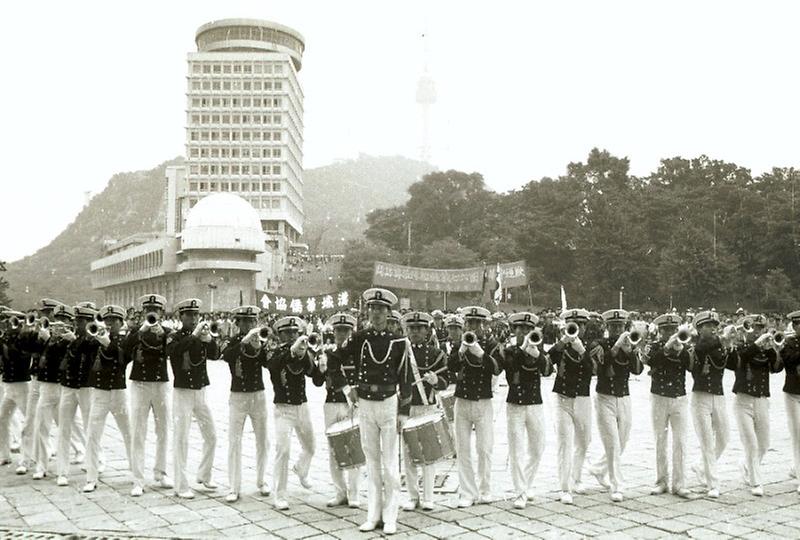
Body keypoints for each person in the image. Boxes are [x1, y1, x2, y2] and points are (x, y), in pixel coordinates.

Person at [342, 288, 412, 535]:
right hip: (365, 403)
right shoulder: (360, 337)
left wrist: (404, 411)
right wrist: (346, 386)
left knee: (391, 464)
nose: (376, 313)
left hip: (389, 403)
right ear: (368, 311)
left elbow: (406, 377)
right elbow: (335, 359)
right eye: (372, 308)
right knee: (371, 461)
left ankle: (391, 516)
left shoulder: (399, 341)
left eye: (381, 309)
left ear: (388, 312)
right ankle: (373, 514)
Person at [448, 306, 503, 508]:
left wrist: (481, 354)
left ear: (484, 325)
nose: (473, 327)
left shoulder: (492, 344)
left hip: (483, 401)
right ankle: (467, 492)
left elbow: (497, 368)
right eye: (470, 323)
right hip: (462, 400)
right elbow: (451, 367)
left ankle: (485, 489)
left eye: (477, 323)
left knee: (484, 448)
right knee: (462, 449)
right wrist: (461, 350)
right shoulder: (459, 343)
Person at [588, 309, 644, 502]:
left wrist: (631, 353)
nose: (617, 329)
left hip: (624, 396)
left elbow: (638, 371)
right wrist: (616, 347)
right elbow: (600, 366)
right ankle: (617, 485)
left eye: (620, 326)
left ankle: (598, 468)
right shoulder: (599, 344)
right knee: (612, 442)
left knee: (623, 440)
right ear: (607, 327)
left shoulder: (629, 343)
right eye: (613, 326)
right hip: (605, 397)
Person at [548, 308, 601, 504]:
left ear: (586, 328)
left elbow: (595, 370)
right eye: (573, 325)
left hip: (583, 398)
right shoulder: (561, 346)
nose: (577, 328)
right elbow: (547, 359)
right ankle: (565, 487)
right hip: (563, 397)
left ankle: (576, 477)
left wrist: (582, 351)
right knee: (564, 442)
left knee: (584, 440)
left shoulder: (591, 346)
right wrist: (563, 342)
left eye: (581, 325)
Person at [168, 298, 219, 499]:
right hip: (182, 392)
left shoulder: (200, 336)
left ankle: (204, 474)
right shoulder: (174, 336)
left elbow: (216, 355)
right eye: (189, 315)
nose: (193, 318)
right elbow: (173, 352)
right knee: (181, 438)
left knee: (212, 435)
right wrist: (195, 336)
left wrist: (209, 340)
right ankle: (181, 485)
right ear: (180, 317)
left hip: (200, 390)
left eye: (196, 315)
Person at [267, 316, 320, 511]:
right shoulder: (275, 352)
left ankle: (301, 469)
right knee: (283, 450)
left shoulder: (304, 351)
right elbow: (273, 366)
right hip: (283, 409)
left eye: (294, 332)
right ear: (280, 335)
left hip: (302, 407)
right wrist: (292, 351)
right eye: (287, 333)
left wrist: (316, 359)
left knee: (311, 447)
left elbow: (315, 377)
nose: (291, 335)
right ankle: (279, 494)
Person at [728, 314, 782, 496]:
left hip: (761, 400)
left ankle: (746, 465)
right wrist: (757, 344)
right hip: (743, 400)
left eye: (760, 328)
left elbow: (776, 368)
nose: (757, 331)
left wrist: (774, 349)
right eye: (753, 328)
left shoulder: (765, 349)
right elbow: (739, 360)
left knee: (764, 443)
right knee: (750, 442)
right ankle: (756, 481)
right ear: (745, 329)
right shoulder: (740, 346)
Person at [400, 311, 449, 512]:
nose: (415, 332)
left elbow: (446, 383)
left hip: (427, 407)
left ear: (427, 330)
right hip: (408, 408)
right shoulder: (401, 353)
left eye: (419, 328)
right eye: (411, 328)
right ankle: (412, 496)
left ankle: (428, 496)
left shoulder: (437, 354)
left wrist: (436, 381)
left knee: (428, 454)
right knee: (409, 454)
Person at [124, 294, 173, 496]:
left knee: (163, 429)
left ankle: (160, 472)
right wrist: (142, 330)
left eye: (156, 310)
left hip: (160, 383)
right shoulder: (136, 331)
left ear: (162, 313)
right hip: (140, 384)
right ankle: (138, 479)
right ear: (143, 312)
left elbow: (174, 351)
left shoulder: (168, 332)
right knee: (138, 431)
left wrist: (163, 336)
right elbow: (125, 348)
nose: (152, 313)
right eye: (148, 310)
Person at [82, 305, 134, 493]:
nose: (110, 324)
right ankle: (91, 476)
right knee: (92, 434)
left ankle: (135, 472)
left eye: (114, 321)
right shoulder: (94, 337)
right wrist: (93, 337)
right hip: (100, 393)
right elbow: (82, 350)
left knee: (128, 433)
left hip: (118, 392)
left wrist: (108, 343)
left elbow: (123, 359)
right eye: (107, 320)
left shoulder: (125, 340)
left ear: (121, 323)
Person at [222, 306, 271, 503]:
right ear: (238, 323)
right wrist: (244, 342)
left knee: (263, 440)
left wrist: (260, 347)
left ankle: (262, 480)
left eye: (253, 321)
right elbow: (226, 356)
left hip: (258, 394)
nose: (250, 325)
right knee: (235, 441)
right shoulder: (233, 341)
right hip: (238, 396)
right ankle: (234, 486)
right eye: (246, 321)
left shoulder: (261, 341)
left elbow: (268, 363)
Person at [504, 312, 551, 509]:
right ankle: (519, 492)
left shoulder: (538, 350)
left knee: (538, 447)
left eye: (528, 329)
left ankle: (527, 483)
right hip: (515, 404)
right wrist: (522, 350)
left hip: (535, 403)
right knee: (517, 450)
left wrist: (537, 354)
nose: (524, 332)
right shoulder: (510, 350)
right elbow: (510, 370)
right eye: (520, 329)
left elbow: (548, 371)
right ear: (514, 331)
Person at [644, 312, 692, 498]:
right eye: (666, 330)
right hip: (659, 396)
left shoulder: (684, 346)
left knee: (680, 441)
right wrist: (666, 347)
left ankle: (679, 484)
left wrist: (682, 350)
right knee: (660, 440)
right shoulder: (655, 346)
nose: (670, 333)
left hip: (679, 397)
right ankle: (661, 481)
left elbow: (691, 367)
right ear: (660, 331)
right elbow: (650, 361)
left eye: (672, 330)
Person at [318, 312, 361, 508]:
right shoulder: (327, 354)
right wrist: (320, 367)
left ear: (351, 332)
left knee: (353, 448)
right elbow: (318, 382)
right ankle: (339, 491)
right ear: (333, 333)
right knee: (334, 448)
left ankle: (354, 493)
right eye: (338, 331)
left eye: (345, 330)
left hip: (351, 404)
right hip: (331, 403)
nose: (342, 334)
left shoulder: (358, 354)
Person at [688, 310, 730, 499]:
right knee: (706, 441)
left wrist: (730, 345)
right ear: (699, 329)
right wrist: (723, 340)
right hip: (701, 397)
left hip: (718, 395)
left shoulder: (719, 344)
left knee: (724, 437)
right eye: (707, 326)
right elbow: (703, 349)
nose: (713, 329)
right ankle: (713, 483)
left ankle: (700, 466)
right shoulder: (697, 346)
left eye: (714, 326)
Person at [33, 303, 77, 479]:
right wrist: (44, 339)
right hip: (46, 386)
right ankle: (41, 466)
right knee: (41, 426)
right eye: (57, 319)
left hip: (63, 387)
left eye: (64, 320)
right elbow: (37, 356)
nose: (59, 323)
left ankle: (68, 465)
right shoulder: (48, 337)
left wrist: (71, 340)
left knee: (66, 428)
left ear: (69, 322)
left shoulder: (73, 340)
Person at [55, 304, 97, 486]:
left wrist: (75, 340)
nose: (77, 324)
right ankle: (62, 472)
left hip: (86, 387)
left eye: (81, 321)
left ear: (89, 322)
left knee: (90, 427)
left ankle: (96, 462)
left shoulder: (94, 338)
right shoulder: (69, 338)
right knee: (64, 429)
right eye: (77, 320)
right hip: (68, 386)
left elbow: (90, 350)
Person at [0, 310, 36, 474]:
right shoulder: (6, 338)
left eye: (15, 322)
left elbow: (17, 356)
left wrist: (23, 333)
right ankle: (5, 454)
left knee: (28, 424)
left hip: (22, 385)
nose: (11, 324)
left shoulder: (26, 339)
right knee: (2, 420)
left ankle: (27, 459)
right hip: (9, 385)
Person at [782, 310, 800, 495]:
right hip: (793, 394)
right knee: (797, 436)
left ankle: (796, 468)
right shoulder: (789, 343)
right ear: (794, 326)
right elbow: (790, 360)